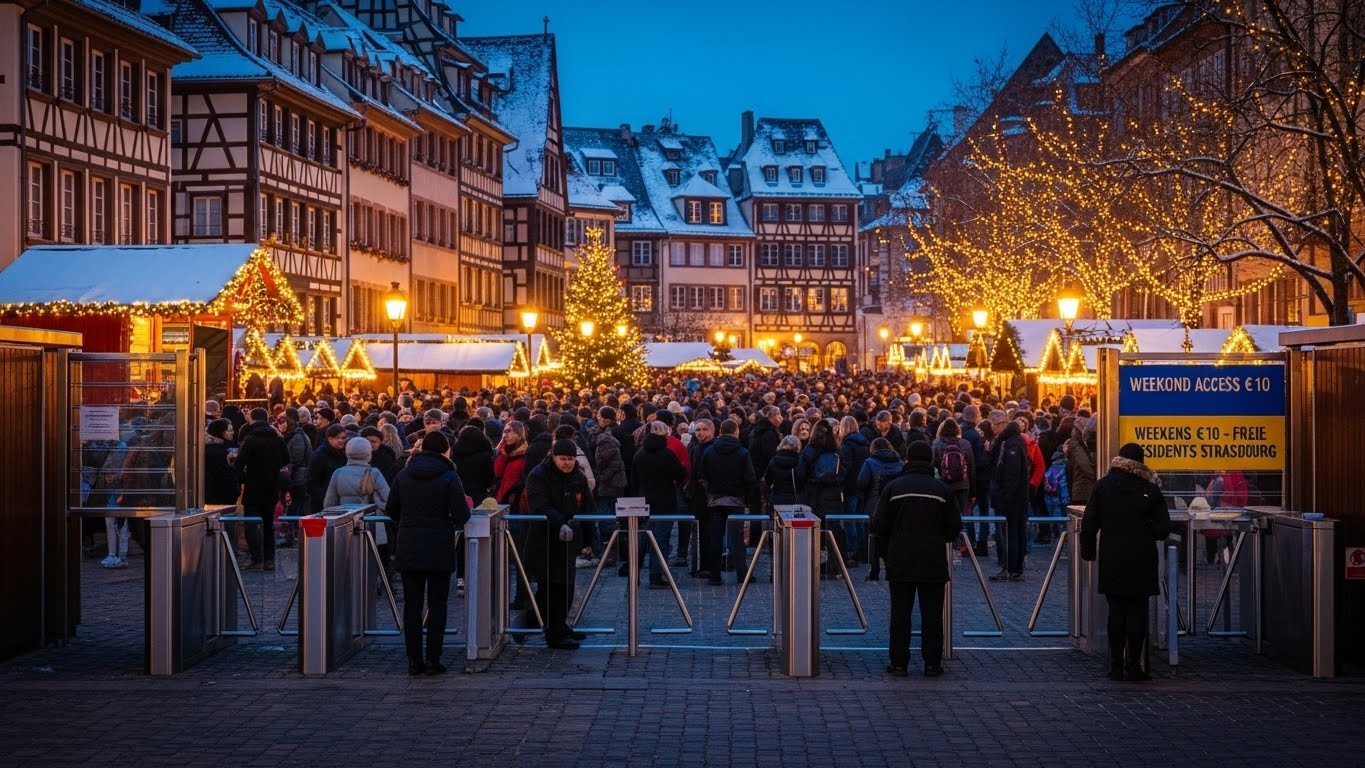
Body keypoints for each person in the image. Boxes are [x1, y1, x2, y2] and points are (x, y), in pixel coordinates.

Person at [1081, 442, 1172, 682]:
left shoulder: (1102, 487)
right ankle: (1134, 666)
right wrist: (1147, 528)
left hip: (1112, 555)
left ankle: (1115, 665)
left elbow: (1089, 523)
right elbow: (1163, 528)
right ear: (1141, 463)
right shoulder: (1150, 490)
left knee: (1116, 611)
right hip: (1141, 556)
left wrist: (1088, 551)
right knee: (1137, 611)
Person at [386, 431, 470, 675]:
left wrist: (408, 521)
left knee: (412, 606)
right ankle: (434, 658)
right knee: (438, 604)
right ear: (446, 450)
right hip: (438, 546)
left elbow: (391, 509)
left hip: (409, 544)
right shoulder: (449, 476)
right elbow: (462, 514)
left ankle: (414, 660)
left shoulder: (404, 474)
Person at [875, 441, 961, 677]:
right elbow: (954, 525)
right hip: (932, 558)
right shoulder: (942, 490)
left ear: (907, 459)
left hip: (900, 558)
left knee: (900, 614)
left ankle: (899, 662)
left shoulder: (894, 489)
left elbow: (879, 525)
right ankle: (932, 663)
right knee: (932, 615)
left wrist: (885, 553)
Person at [524, 439, 593, 650]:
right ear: (553, 457)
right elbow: (539, 505)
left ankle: (559, 626)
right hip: (545, 539)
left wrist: (589, 540)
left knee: (567, 586)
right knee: (552, 587)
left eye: (570, 459)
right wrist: (560, 522)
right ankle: (552, 632)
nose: (567, 463)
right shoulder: (538, 475)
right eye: (563, 459)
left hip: (569, 541)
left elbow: (588, 508)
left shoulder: (578, 477)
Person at [695, 419, 756, 585]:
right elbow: (750, 478)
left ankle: (715, 575)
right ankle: (742, 574)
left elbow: (702, 475)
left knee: (715, 538)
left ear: (720, 431)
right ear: (736, 431)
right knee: (738, 540)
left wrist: (710, 492)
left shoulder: (709, 451)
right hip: (736, 500)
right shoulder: (743, 452)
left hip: (715, 500)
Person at [630, 420, 686, 588]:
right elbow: (681, 474)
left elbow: (633, 481)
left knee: (642, 539)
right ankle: (655, 576)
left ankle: (634, 572)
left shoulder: (639, 454)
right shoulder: (668, 454)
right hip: (665, 503)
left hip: (643, 501)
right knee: (660, 539)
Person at [235, 407, 289, 571]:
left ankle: (257, 558)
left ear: (251, 419)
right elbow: (286, 459)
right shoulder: (277, 438)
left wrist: (245, 478)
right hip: (271, 486)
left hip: (253, 486)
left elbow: (239, 464)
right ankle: (270, 559)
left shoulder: (250, 439)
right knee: (268, 524)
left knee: (252, 523)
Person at [988, 410, 1031, 582]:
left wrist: (1005, 495)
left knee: (1011, 533)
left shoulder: (1012, 443)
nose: (992, 428)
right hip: (1014, 497)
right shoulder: (1010, 441)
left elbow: (1012, 473)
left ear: (1002, 424)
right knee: (1014, 532)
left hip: (1013, 500)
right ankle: (1013, 567)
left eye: (994, 424)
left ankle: (1012, 567)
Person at [858, 436, 904, 581]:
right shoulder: (899, 463)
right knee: (893, 537)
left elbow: (861, 483)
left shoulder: (870, 462)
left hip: (874, 504)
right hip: (895, 505)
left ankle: (875, 569)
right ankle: (892, 567)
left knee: (873, 537)